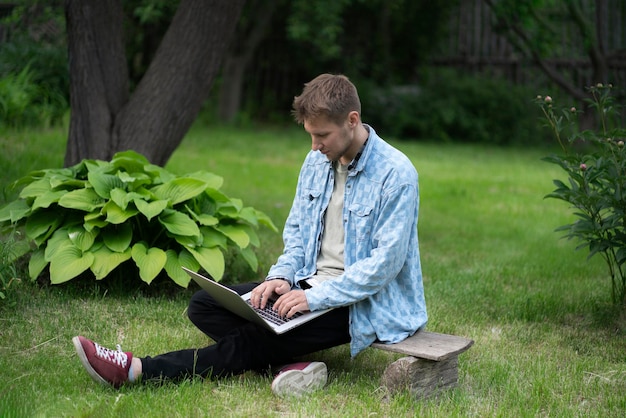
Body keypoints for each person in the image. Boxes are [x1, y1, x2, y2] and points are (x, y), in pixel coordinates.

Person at [73, 73, 428, 397]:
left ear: (352, 121)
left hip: (359, 304)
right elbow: (298, 236)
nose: (314, 146)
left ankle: (138, 370)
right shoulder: (316, 162)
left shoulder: (396, 174)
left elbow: (385, 267)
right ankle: (288, 364)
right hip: (307, 285)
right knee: (206, 304)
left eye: (322, 135)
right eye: (310, 135)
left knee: (254, 336)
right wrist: (280, 278)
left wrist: (314, 300)